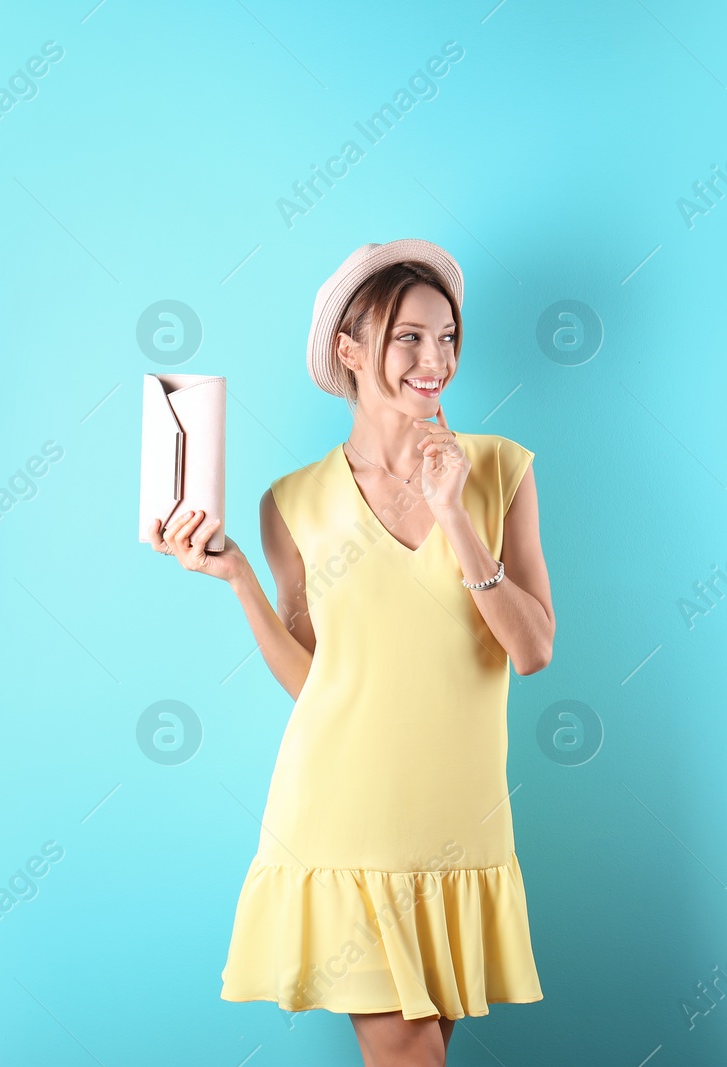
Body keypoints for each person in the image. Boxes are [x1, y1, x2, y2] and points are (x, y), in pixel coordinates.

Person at [151, 239, 552, 1066]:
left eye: (446, 337)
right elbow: (315, 680)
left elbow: (533, 648)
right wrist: (237, 580)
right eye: (408, 336)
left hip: (460, 824)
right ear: (349, 348)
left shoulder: (501, 469)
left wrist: (456, 519)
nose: (433, 358)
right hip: (343, 822)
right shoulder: (290, 503)